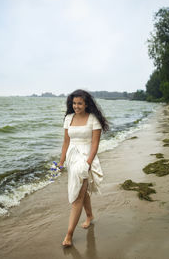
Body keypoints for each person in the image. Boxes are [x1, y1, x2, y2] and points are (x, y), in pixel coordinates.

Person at [58, 89, 109, 247]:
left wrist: (88, 163)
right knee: (82, 189)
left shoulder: (94, 119)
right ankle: (90, 216)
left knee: (77, 195)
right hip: (72, 158)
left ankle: (69, 235)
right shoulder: (68, 118)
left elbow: (95, 144)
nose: (76, 106)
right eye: (74, 103)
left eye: (80, 103)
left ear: (86, 104)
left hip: (86, 157)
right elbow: (66, 142)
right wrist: (61, 162)